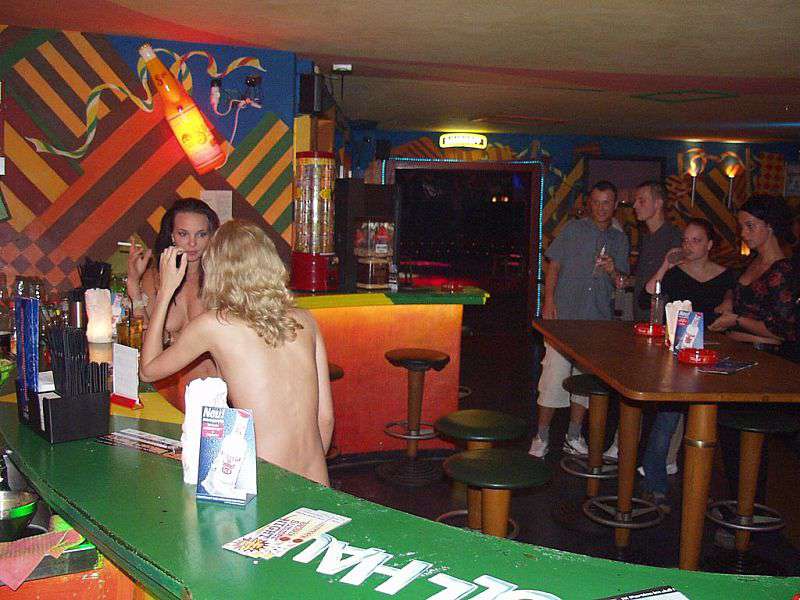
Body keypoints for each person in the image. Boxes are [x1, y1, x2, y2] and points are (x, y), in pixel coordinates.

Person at [139, 220, 334, 486]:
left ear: (215, 269)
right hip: (316, 475)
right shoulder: (305, 320)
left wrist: (165, 292)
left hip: (263, 476)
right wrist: (307, 483)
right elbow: (326, 418)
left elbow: (148, 370)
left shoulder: (215, 324)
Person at [638, 218, 737, 512]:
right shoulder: (677, 273)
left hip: (713, 356)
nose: (689, 246)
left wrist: (729, 306)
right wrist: (666, 264)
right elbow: (647, 295)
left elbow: (731, 307)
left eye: (696, 240)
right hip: (679, 355)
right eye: (686, 240)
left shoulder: (726, 276)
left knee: (709, 425)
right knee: (667, 419)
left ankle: (704, 489)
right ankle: (655, 483)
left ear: (709, 245)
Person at [529, 181, 629, 458]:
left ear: (615, 205)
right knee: (553, 376)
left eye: (606, 202)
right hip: (565, 317)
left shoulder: (620, 239)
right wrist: (549, 301)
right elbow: (554, 265)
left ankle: (573, 436)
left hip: (597, 321)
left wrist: (613, 270)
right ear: (589, 204)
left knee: (585, 383)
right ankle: (541, 435)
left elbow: (622, 282)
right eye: (596, 202)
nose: (601, 207)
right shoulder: (573, 229)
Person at [603, 180, 683, 463]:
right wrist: (618, 274)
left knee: (667, 394)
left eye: (641, 200)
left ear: (658, 203)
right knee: (638, 387)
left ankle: (666, 458)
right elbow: (644, 281)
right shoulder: (649, 237)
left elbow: (675, 281)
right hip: (644, 321)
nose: (635, 205)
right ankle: (627, 444)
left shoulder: (673, 237)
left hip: (664, 325)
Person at [127, 198, 221, 411]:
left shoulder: (221, 280)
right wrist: (134, 285)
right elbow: (146, 339)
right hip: (165, 396)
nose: (192, 243)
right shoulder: (155, 277)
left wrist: (170, 338)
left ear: (211, 236)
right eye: (183, 234)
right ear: (171, 236)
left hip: (213, 399)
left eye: (201, 234)